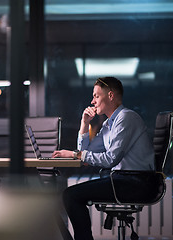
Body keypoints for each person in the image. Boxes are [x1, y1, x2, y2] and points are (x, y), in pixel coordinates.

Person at [52, 76, 155, 240]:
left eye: (96, 96)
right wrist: (84, 124)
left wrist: (74, 154)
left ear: (111, 96)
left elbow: (110, 159)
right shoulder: (109, 124)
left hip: (136, 182)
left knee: (71, 195)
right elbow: (86, 153)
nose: (92, 101)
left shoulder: (126, 118)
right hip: (122, 180)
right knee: (70, 195)